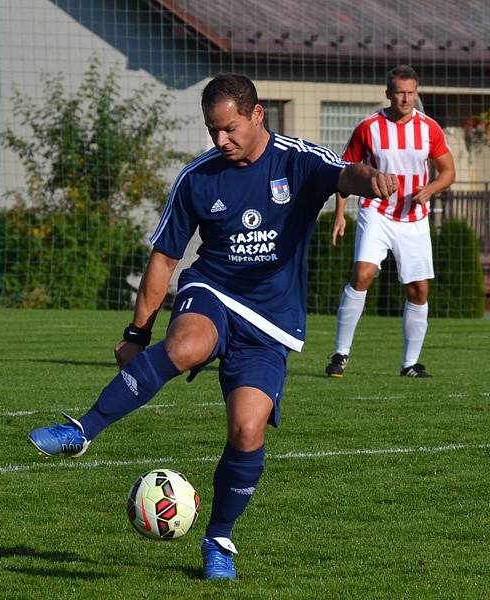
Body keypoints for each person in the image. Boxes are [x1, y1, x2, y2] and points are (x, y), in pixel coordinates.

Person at [27, 73, 398, 580]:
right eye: (211, 130)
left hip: (270, 319)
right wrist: (137, 335)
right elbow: (164, 259)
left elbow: (345, 174)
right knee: (187, 344)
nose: (220, 140)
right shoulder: (198, 177)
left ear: (257, 115)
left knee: (247, 429)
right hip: (213, 292)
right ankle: (82, 431)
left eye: (229, 129)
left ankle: (219, 538)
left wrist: (369, 177)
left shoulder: (295, 159)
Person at [325, 64, 455, 378]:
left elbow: (448, 172)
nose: (406, 99)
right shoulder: (368, 127)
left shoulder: (430, 129)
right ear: (388, 94)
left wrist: (431, 189)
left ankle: (410, 364)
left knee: (418, 291)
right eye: (400, 92)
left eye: (411, 93)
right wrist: (340, 213)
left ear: (417, 93)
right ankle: (340, 354)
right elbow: (346, 171)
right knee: (363, 273)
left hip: (414, 219)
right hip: (376, 211)